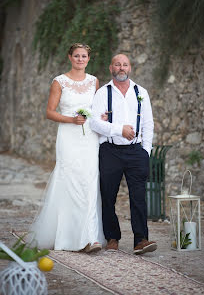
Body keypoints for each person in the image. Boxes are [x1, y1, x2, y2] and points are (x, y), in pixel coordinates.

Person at [27, 43, 105, 252]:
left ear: (89, 59)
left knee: (89, 181)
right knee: (69, 180)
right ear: (70, 57)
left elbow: (97, 110)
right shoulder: (59, 82)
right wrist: (71, 120)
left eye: (84, 56)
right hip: (68, 136)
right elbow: (50, 112)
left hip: (89, 137)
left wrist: (102, 117)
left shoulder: (94, 81)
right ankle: (67, 237)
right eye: (77, 56)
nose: (80, 59)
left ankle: (90, 236)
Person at [90, 54, 157, 255]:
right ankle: (112, 237)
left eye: (125, 64)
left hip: (136, 152)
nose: (121, 68)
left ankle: (141, 239)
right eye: (117, 64)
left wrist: (146, 150)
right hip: (110, 151)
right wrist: (119, 130)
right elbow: (94, 122)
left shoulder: (141, 92)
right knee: (108, 195)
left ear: (130, 68)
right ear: (111, 68)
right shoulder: (103, 93)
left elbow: (148, 124)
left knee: (138, 196)